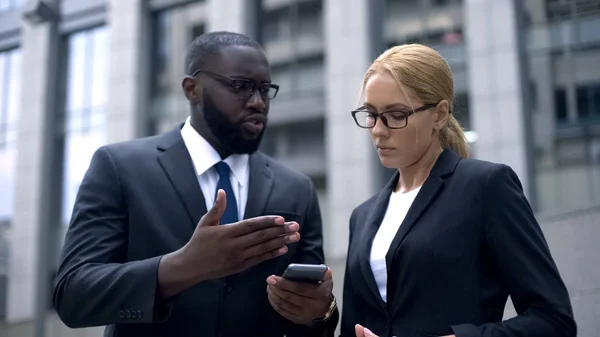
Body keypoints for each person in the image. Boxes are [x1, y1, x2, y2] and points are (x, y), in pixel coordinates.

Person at [53, 31, 338, 337]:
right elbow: (73, 296)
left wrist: (319, 314)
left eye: (265, 89)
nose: (258, 102)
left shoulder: (297, 188)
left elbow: (311, 319)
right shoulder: (120, 167)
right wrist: (183, 266)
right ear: (192, 89)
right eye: (240, 86)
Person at [340, 44, 576, 337]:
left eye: (396, 114)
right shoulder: (361, 217)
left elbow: (554, 320)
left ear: (439, 114)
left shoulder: (487, 187)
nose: (377, 129)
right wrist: (319, 314)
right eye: (371, 114)